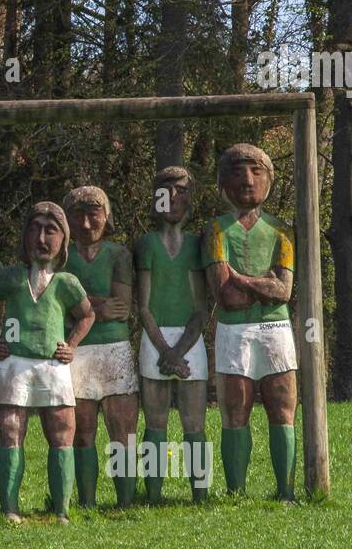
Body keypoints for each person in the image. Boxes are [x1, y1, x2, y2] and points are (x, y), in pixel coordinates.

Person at [0, 202, 94, 523]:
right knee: (10, 431)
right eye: (35, 229)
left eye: (50, 230)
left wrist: (71, 345)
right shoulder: (10, 277)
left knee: (61, 432)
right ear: (25, 236)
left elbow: (87, 314)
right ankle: (10, 509)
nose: (42, 237)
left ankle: (62, 510)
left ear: (63, 239)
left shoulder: (67, 283)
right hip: (12, 365)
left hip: (52, 367)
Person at [203, 144, 299, 500]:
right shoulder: (216, 231)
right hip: (234, 332)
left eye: (256, 171)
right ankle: (235, 490)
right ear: (222, 182)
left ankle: (285, 490)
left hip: (276, 330)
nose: (247, 180)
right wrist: (261, 284)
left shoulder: (282, 232)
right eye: (238, 171)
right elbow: (226, 295)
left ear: (269, 179)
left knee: (282, 407)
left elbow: (283, 291)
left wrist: (242, 279)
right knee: (235, 409)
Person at [134, 167, 210, 503]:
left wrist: (179, 351)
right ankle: (153, 492)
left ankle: (200, 491)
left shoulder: (197, 244)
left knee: (195, 420)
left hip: (189, 340)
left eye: (181, 190)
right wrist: (165, 350)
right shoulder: (147, 244)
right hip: (155, 339)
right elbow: (144, 306)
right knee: (155, 420)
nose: (173, 198)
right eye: (166, 190)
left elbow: (200, 307)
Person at [63, 186, 139, 508]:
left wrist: (82, 306)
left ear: (106, 216)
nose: (86, 221)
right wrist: (95, 307)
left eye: (93, 212)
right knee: (82, 431)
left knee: (122, 430)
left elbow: (121, 305)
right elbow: (60, 300)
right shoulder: (62, 255)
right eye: (78, 213)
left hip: (115, 348)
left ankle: (126, 500)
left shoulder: (118, 254)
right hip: (78, 348)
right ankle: (86, 501)